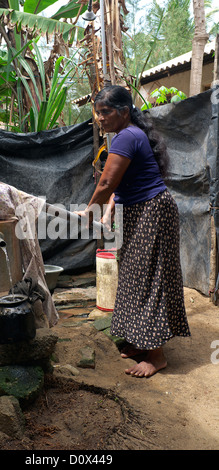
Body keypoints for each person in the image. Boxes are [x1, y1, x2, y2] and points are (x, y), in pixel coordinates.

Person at [76, 85, 191, 378]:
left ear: (124, 112)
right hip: (139, 210)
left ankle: (157, 355)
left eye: (105, 112)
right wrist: (111, 207)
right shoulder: (126, 136)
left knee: (151, 277)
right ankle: (142, 341)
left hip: (152, 210)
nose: (100, 118)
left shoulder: (127, 136)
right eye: (97, 113)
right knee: (133, 274)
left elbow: (105, 184)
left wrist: (90, 212)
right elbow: (120, 184)